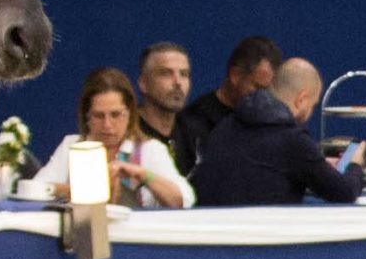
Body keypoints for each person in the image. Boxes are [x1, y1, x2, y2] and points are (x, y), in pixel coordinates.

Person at [195, 57, 362, 207]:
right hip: (264, 236)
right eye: (312, 105)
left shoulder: (225, 125)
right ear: (301, 99)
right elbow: (344, 192)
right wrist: (354, 163)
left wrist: (318, 163)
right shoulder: (293, 140)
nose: (310, 112)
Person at [74, 66, 193, 208]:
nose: (107, 125)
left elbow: (182, 202)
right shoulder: (72, 146)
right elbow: (40, 190)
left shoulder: (150, 150)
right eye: (99, 116)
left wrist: (142, 174)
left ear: (130, 113)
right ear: (86, 116)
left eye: (115, 114)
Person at [176, 36, 282, 172]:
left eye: (269, 91)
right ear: (235, 75)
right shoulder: (192, 122)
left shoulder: (270, 124)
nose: (265, 98)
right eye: (258, 88)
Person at [133, 41, 198, 178]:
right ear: (143, 83)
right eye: (166, 73)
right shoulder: (126, 132)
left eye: (184, 74)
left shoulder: (196, 133)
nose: (178, 82)